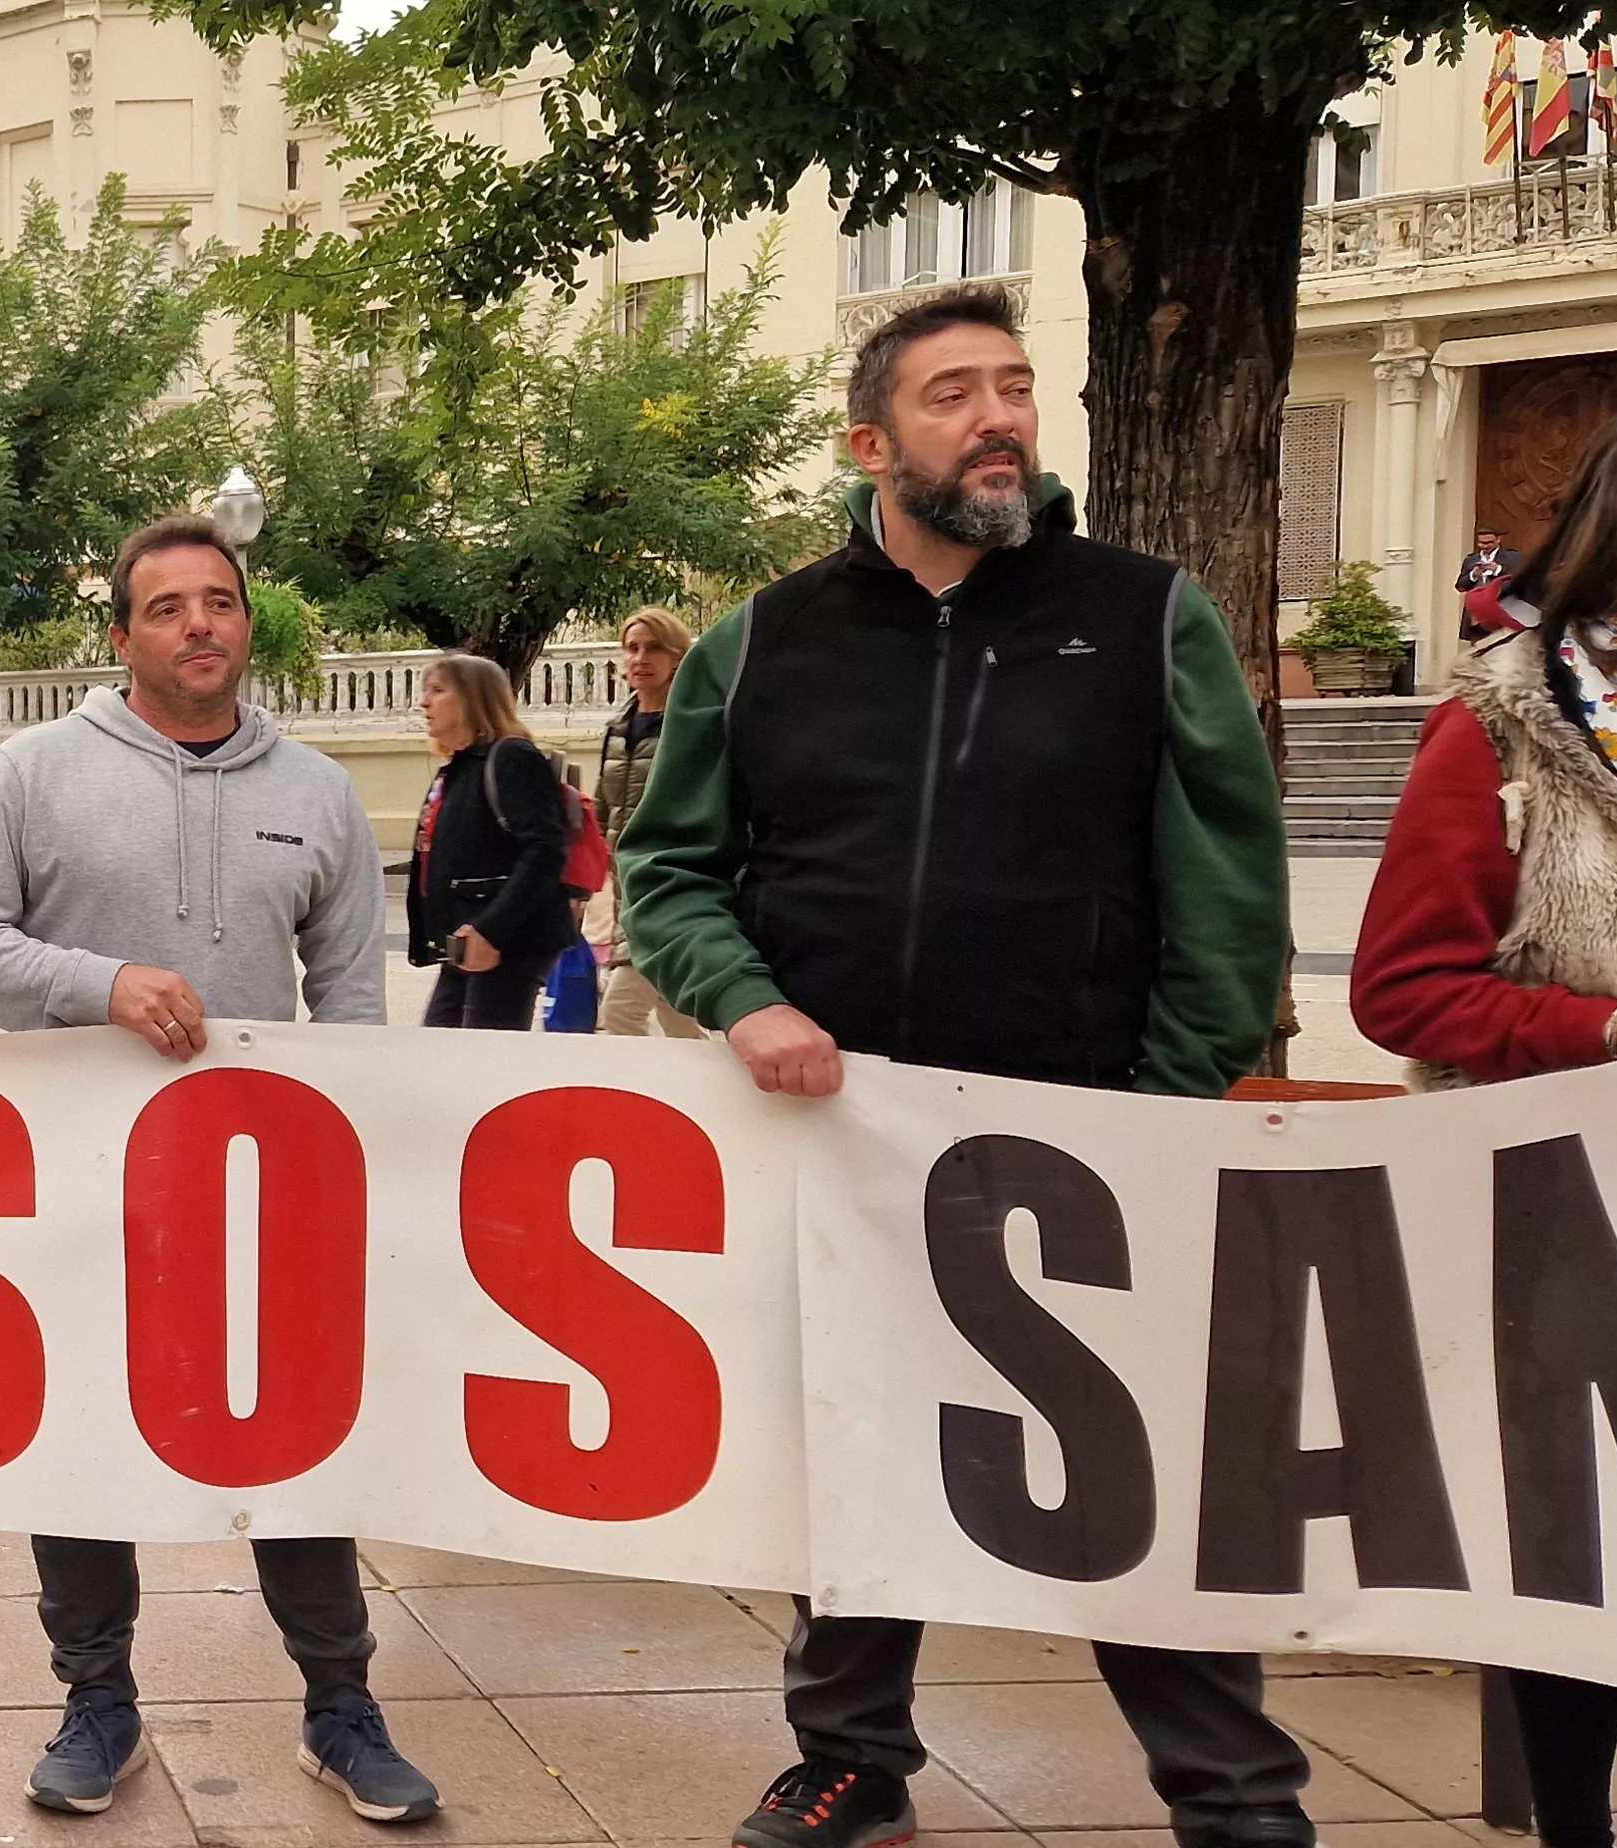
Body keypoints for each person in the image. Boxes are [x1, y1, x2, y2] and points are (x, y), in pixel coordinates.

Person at [615, 286, 1303, 1848]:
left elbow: (1227, 884)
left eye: (1015, 386)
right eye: (951, 395)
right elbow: (669, 875)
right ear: (874, 441)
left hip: (1092, 1143)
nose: (996, 416)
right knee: (855, 1453)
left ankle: (1237, 1795)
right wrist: (744, 1005)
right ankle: (853, 1762)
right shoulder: (762, 641)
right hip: (842, 1143)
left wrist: (1164, 1101)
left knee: (1124, 1478)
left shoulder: (1145, 614)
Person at [0, 514, 435, 1823]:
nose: (200, 625)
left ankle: (340, 1706)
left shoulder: (315, 792)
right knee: (81, 1438)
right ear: (124, 635)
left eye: (221, 602)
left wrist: (351, 1158)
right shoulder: (34, 772)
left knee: (297, 1439)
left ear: (248, 625)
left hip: (261, 1185)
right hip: (83, 1180)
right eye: (167, 608)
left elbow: (354, 1001)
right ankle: (97, 1704)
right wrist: (99, 985)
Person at [1348, 387, 1617, 1848]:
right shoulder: (1504, 721)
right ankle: (1575, 1828)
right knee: (1591, 1558)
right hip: (1580, 1221)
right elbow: (1401, 990)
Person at [405, 654, 571, 1030]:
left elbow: (545, 850)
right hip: (465, 944)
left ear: (472, 698)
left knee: (482, 1068)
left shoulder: (511, 757)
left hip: (503, 945)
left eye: (438, 690)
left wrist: (491, 930)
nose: (424, 702)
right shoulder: (460, 768)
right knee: (440, 1057)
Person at [591, 609, 702, 1037]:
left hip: (669, 885)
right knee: (674, 1011)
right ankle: (709, 1093)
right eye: (632, 647)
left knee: (620, 1010)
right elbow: (606, 802)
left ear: (677, 657)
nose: (640, 657)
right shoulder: (617, 727)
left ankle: (631, 1100)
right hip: (626, 887)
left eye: (654, 647)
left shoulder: (693, 723)